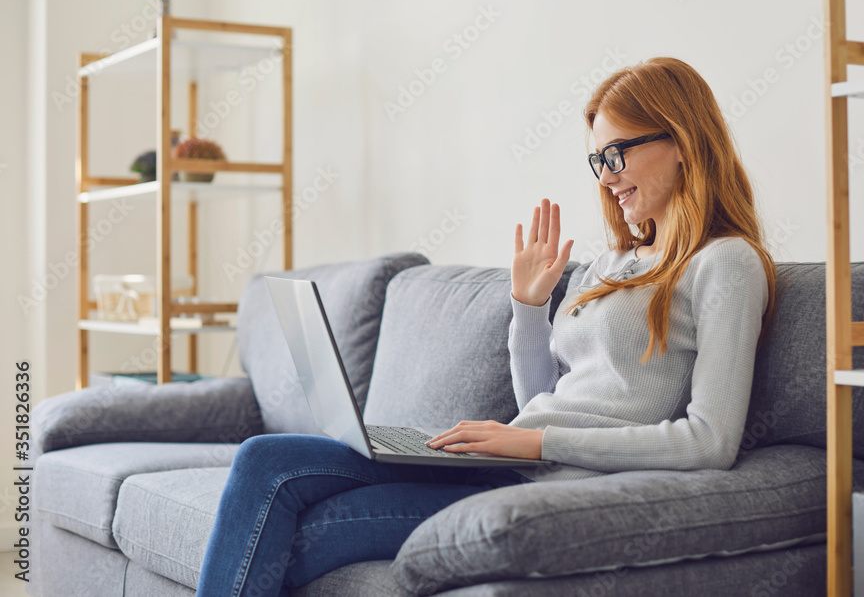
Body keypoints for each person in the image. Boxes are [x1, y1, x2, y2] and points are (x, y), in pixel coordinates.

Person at [195, 56, 777, 596]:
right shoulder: (609, 263)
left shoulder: (725, 262)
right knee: (265, 458)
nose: (605, 178)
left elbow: (711, 442)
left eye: (617, 155)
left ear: (681, 142)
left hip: (541, 484)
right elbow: (539, 400)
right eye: (598, 160)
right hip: (506, 463)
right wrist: (528, 307)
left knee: (296, 538)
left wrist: (536, 441)